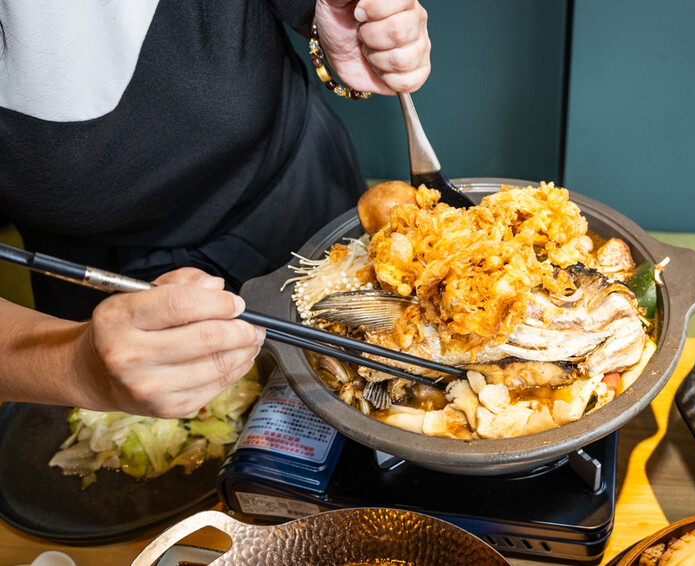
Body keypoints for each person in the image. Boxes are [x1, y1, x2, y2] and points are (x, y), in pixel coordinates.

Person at [0, 0, 431, 417]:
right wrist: (80, 368)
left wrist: (339, 21)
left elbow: (320, 16)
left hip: (292, 176)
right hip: (96, 275)